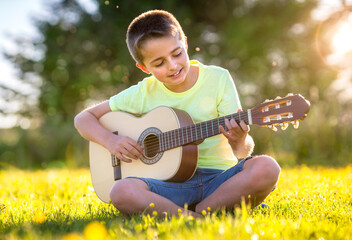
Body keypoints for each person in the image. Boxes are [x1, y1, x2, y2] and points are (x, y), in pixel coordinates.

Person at [74, 9, 280, 218]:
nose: (172, 66)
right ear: (144, 68)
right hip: (168, 186)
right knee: (121, 191)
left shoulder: (218, 79)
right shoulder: (143, 93)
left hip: (219, 181)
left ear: (185, 43)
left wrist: (240, 140)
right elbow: (82, 119)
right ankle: (199, 216)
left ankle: (195, 211)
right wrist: (111, 141)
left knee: (267, 167)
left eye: (177, 53)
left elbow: (241, 153)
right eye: (159, 63)